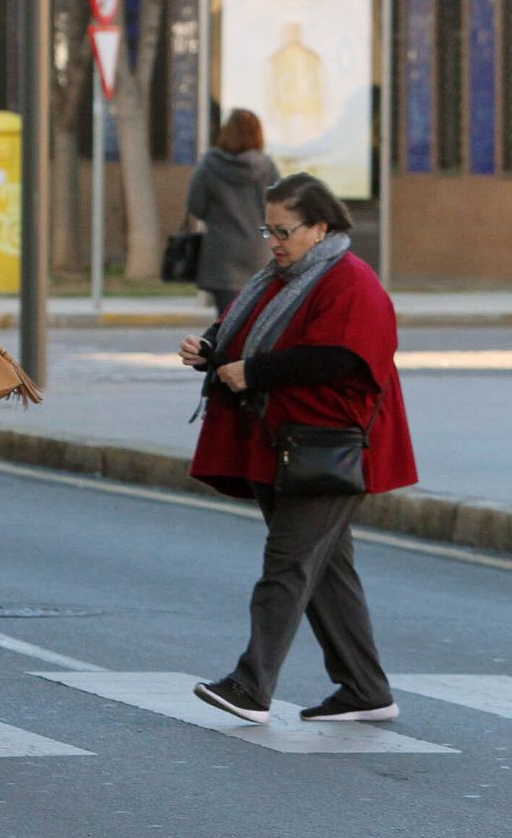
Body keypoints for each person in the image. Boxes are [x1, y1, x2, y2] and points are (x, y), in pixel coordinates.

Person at [178, 172, 416, 726]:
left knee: (287, 564)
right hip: (285, 443)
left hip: (329, 447)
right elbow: (248, 330)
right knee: (325, 570)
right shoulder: (281, 277)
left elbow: (342, 359)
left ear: (320, 227)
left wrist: (255, 370)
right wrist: (211, 348)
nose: (273, 241)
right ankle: (364, 689)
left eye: (283, 231)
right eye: (269, 229)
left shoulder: (352, 282)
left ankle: (251, 685)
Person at [186, 108, 280, 314]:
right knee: (257, 320)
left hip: (222, 253)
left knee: (228, 321)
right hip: (259, 252)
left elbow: (196, 206)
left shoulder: (209, 164)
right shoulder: (267, 167)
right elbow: (280, 207)